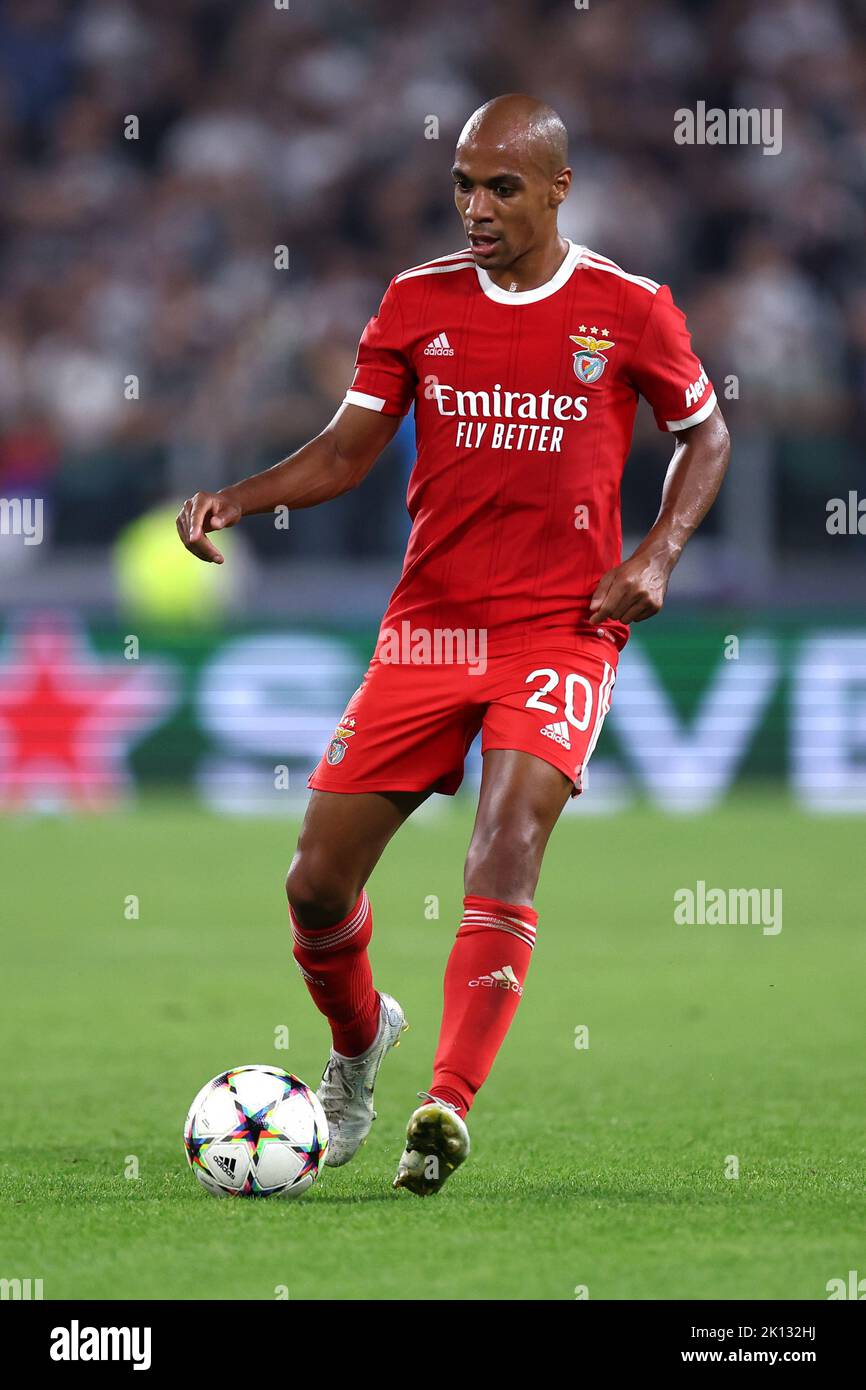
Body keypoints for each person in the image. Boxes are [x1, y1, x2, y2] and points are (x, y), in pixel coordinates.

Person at [177, 94, 730, 1196]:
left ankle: (446, 1103)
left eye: (501, 187)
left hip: (560, 630)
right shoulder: (416, 301)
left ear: (557, 187)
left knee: (505, 842)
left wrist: (658, 552)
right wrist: (240, 497)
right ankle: (356, 1045)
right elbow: (347, 452)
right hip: (427, 631)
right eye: (463, 187)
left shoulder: (627, 307)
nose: (476, 207)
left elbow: (703, 433)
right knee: (315, 884)